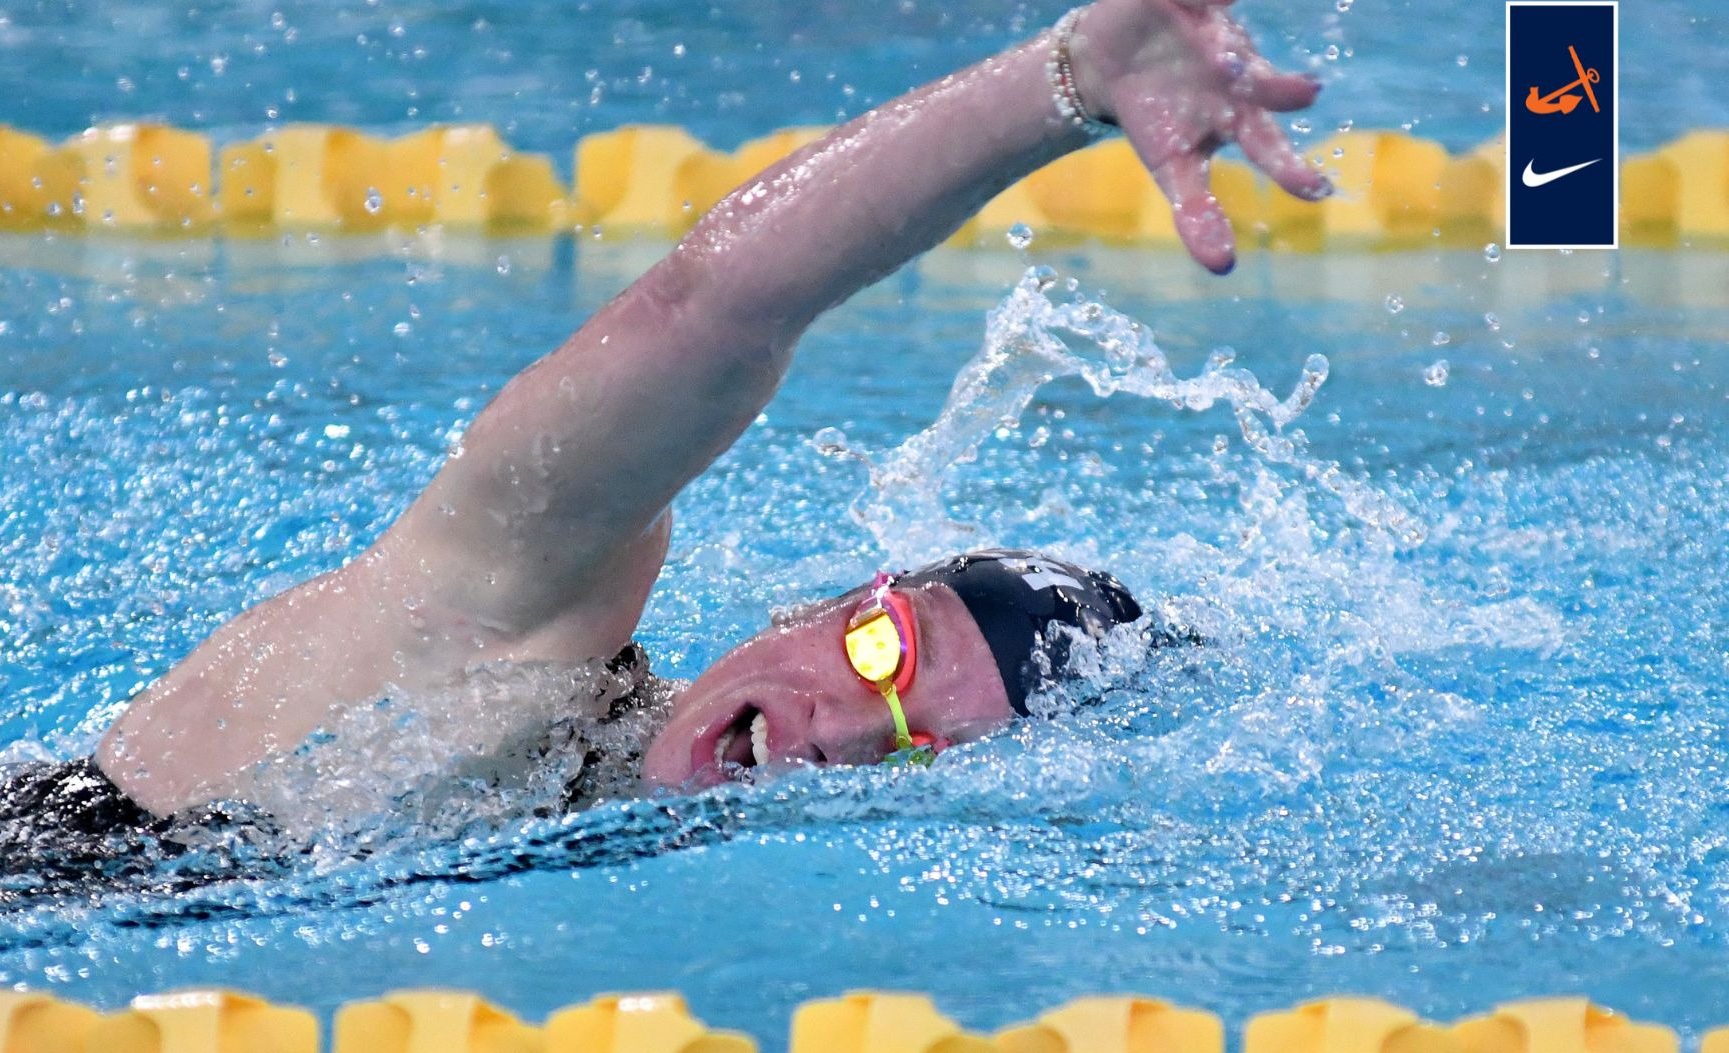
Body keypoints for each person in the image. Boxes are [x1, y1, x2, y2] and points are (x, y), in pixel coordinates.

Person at [75, 0, 1328, 829]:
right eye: (886, 656)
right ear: (818, 608)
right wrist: (1063, 84)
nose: (845, 734)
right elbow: (713, 310)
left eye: (918, 753)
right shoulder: (518, 623)